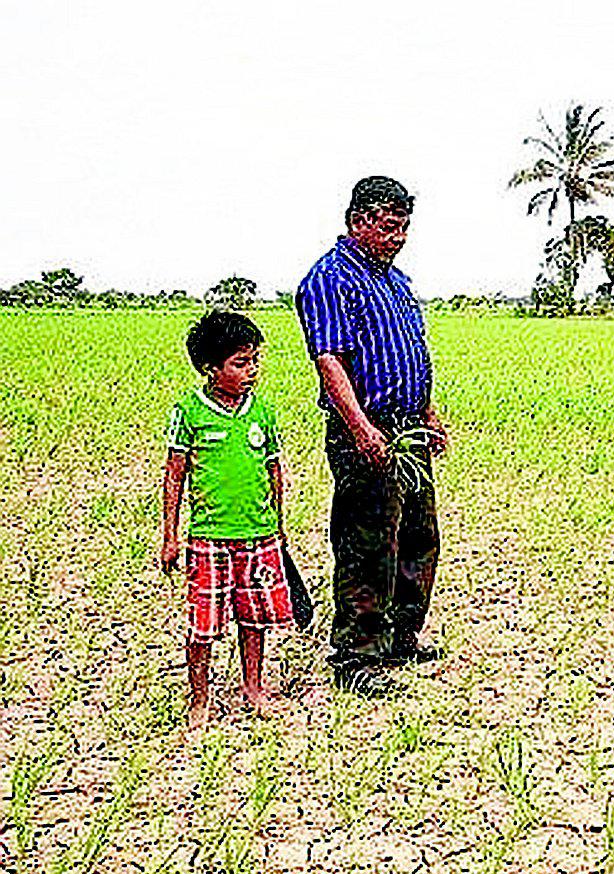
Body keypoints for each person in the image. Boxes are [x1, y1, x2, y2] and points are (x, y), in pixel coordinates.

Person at [295, 175, 447, 697]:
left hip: (410, 429)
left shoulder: (398, 283)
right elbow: (329, 361)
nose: (399, 236)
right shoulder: (329, 279)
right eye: (389, 226)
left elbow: (413, 355)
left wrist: (429, 413)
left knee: (419, 535)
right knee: (367, 540)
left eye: (404, 227)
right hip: (367, 428)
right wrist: (360, 427)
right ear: (359, 220)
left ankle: (402, 637)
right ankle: (357, 655)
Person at [161, 311, 293, 729]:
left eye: (254, 361)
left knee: (255, 619)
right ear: (210, 368)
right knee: (203, 625)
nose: (251, 371)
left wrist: (279, 526)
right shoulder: (189, 412)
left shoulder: (263, 414)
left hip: (259, 536)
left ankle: (253, 687)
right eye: (239, 363)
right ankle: (199, 699)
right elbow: (174, 476)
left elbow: (274, 473)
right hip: (209, 538)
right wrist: (170, 536)